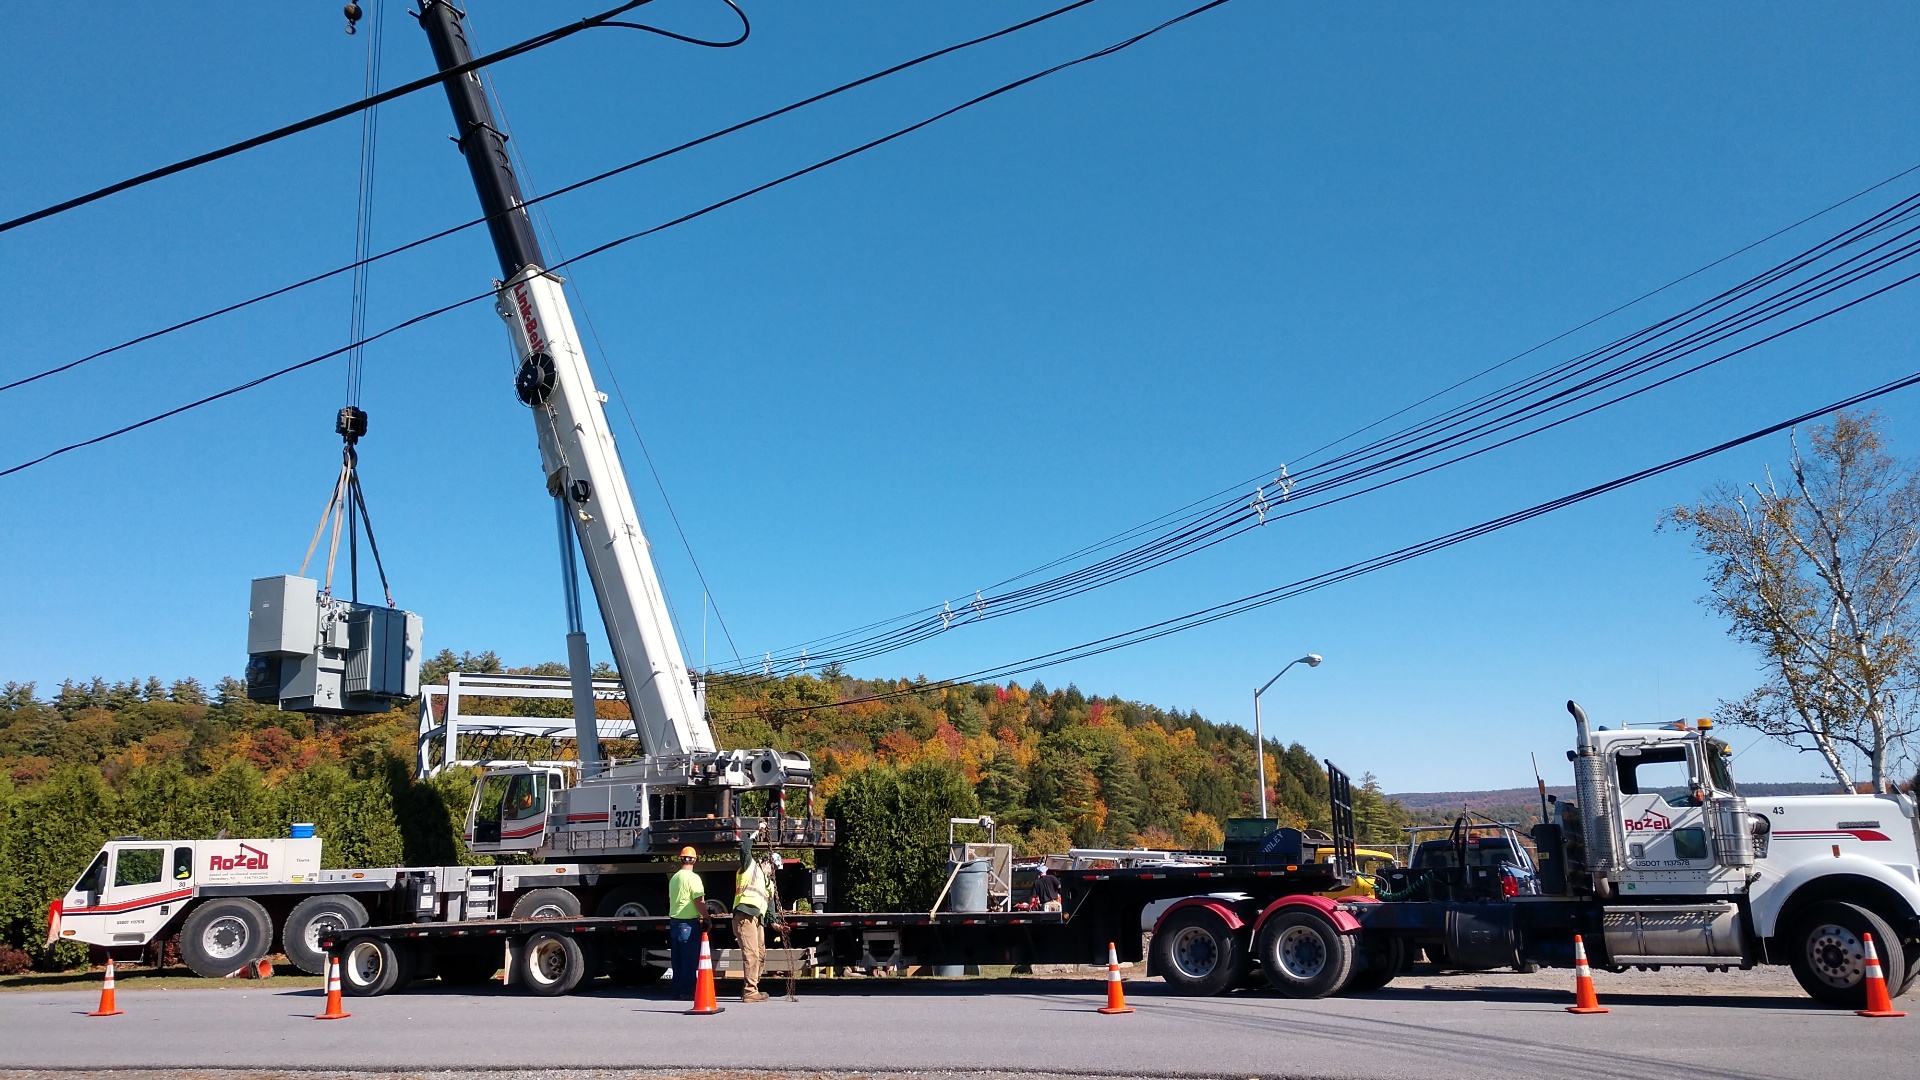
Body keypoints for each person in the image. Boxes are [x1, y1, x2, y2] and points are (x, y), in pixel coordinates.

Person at [732, 836, 771, 1002]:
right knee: (752, 954)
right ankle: (750, 992)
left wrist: (773, 921)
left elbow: (768, 906)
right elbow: (744, 850)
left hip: (756, 919)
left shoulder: (766, 881)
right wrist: (754, 836)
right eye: (771, 865)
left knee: (760, 954)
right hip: (744, 915)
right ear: (765, 862)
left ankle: (753, 987)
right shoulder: (750, 867)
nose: (772, 869)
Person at [667, 846, 706, 1000]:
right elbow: (699, 901)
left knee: (677, 961)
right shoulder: (694, 878)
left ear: (681, 859)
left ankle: (677, 991)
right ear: (695, 859)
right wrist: (707, 917)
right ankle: (687, 992)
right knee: (689, 961)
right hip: (688, 924)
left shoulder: (674, 878)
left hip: (675, 923)